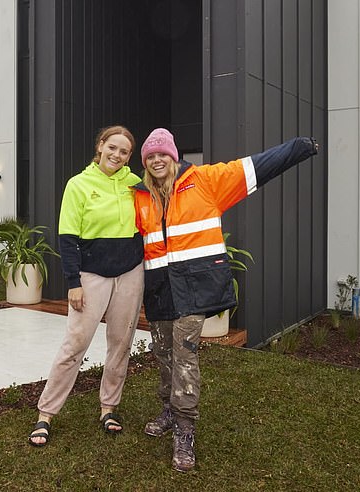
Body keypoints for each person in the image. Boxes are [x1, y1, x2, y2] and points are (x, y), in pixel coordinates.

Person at [134, 128, 318, 471]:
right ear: (145, 162)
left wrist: (298, 148)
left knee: (184, 355)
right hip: (159, 291)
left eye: (162, 154)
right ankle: (168, 410)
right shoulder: (140, 196)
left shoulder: (205, 180)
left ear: (173, 156)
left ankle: (185, 429)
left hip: (194, 290)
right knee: (163, 354)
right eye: (150, 156)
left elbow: (256, 166)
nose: (157, 160)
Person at [28, 125, 145, 446]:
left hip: (131, 273)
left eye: (124, 152)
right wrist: (73, 282)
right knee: (75, 344)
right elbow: (67, 238)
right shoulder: (78, 185)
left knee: (121, 343)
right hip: (91, 276)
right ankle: (46, 413)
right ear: (101, 146)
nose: (117, 156)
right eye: (113, 148)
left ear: (129, 157)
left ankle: (109, 407)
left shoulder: (135, 184)